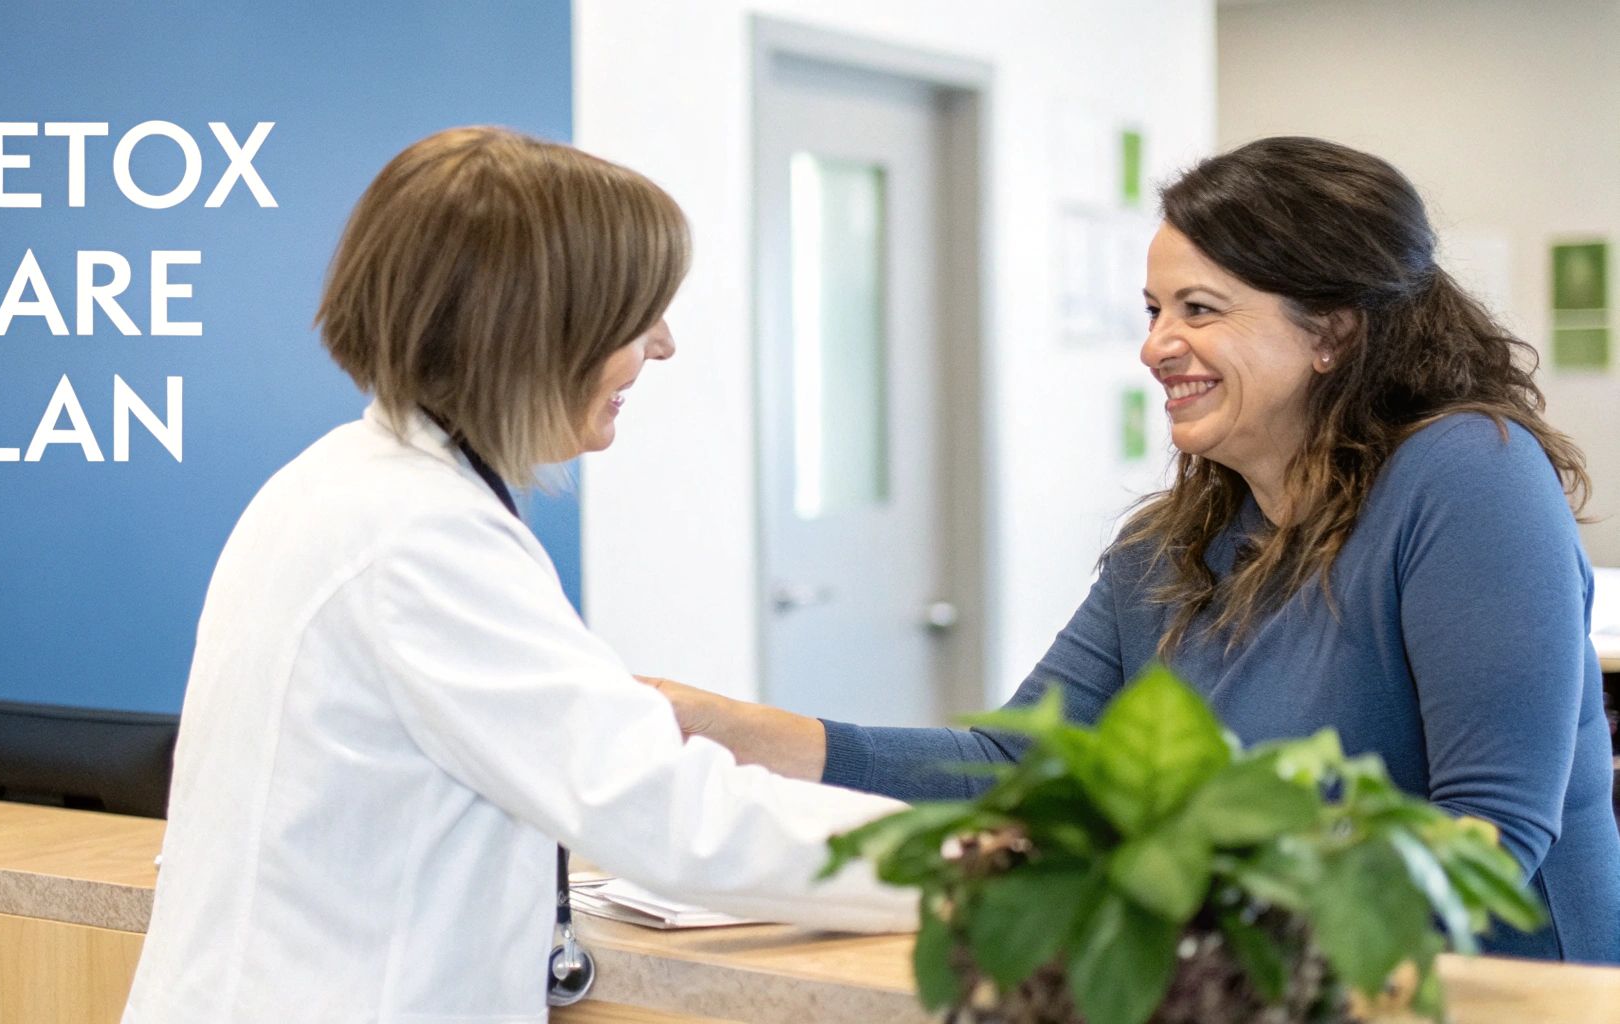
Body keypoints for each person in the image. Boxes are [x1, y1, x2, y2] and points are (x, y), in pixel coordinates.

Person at [647, 136, 1620, 964]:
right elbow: (1011, 763)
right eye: (1154, 311)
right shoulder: (1169, 545)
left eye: (1199, 309)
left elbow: (1487, 836)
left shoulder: (1468, 475)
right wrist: (732, 728)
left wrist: (1186, 935)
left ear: (1328, 331)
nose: (1156, 345)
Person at [122, 127, 914, 1024]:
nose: (662, 345)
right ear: (539, 330)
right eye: (637, 316)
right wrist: (968, 858)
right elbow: (670, 816)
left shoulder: (337, 487)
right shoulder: (419, 534)